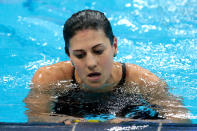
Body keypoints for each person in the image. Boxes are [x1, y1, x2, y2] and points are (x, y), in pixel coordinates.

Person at [24, 9, 190, 124]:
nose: (91, 63)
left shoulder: (143, 82)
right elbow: (36, 119)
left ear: (114, 46)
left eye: (98, 51)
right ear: (69, 55)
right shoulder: (48, 79)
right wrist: (64, 121)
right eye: (80, 55)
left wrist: (131, 124)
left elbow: (181, 120)